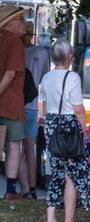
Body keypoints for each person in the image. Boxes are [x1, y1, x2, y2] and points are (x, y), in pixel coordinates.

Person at [37, 39, 90, 222]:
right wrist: (84, 130)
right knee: (71, 175)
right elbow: (79, 109)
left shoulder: (46, 77)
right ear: (70, 57)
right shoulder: (72, 77)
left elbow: (43, 107)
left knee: (56, 173)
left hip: (51, 126)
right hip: (69, 127)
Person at [0, 4, 30, 201]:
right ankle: (10, 190)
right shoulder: (15, 43)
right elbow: (10, 74)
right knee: (13, 145)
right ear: (10, 24)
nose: (25, 23)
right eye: (20, 19)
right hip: (10, 103)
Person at [22, 22, 50, 199]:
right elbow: (44, 79)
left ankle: (23, 187)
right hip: (33, 103)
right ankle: (31, 188)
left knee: (14, 148)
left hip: (17, 103)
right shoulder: (42, 53)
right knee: (29, 148)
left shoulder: (17, 51)